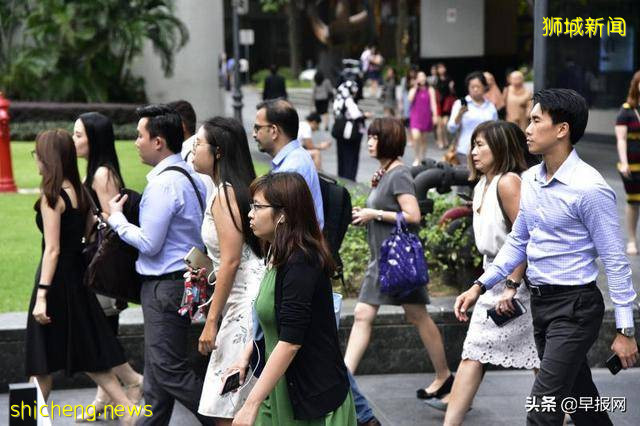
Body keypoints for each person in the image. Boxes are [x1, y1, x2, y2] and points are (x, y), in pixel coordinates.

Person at [455, 89, 639, 426]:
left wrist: (626, 329)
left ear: (562, 129)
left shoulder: (589, 188)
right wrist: (479, 286)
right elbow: (518, 241)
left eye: (536, 120)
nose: (527, 128)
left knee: (542, 410)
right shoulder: (531, 181)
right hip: (542, 305)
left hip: (576, 308)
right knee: (582, 402)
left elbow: (615, 261)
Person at [425, 121, 540, 423]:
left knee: (539, 358)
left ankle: (568, 413)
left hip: (516, 282)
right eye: (473, 144)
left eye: (481, 145)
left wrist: (512, 285)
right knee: (476, 352)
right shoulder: (482, 184)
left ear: (501, 146)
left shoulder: (508, 182)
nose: (473, 152)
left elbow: (523, 238)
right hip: (493, 277)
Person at [107, 105, 213, 426]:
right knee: (156, 381)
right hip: (179, 283)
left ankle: (226, 420)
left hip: (164, 287)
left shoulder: (164, 184)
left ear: (158, 142)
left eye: (140, 135)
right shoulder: (188, 175)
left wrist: (117, 220)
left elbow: (150, 244)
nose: (135, 141)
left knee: (169, 371)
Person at [25, 129, 137, 424]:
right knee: (84, 348)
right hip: (76, 276)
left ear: (48, 157)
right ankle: (127, 407)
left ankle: (27, 418)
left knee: (42, 357)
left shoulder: (52, 196)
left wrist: (41, 295)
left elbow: (52, 250)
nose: (36, 158)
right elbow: (86, 234)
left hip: (55, 280)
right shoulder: (78, 192)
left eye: (37, 153)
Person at [228, 172, 357, 425]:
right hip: (278, 388)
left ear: (283, 214)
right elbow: (269, 320)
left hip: (311, 399)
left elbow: (290, 341)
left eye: (257, 206)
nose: (250, 214)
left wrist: (250, 404)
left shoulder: (302, 262)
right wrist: (245, 357)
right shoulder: (277, 253)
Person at [345, 117, 453, 405]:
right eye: (369, 137)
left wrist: (375, 215)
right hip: (380, 260)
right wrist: (365, 215)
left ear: (388, 141)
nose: (369, 142)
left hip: (397, 262)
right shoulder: (385, 172)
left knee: (418, 316)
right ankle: (344, 381)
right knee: (362, 315)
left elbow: (413, 216)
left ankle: (444, 376)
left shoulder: (399, 174)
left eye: (374, 137)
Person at [190, 117, 265, 424]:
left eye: (198, 144)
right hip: (243, 299)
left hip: (243, 307)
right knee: (234, 404)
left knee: (225, 405)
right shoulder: (229, 189)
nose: (193, 151)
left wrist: (210, 323)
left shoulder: (225, 193)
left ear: (218, 151)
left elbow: (233, 261)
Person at [72, 112, 144, 421]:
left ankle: (134, 384)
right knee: (106, 332)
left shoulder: (102, 174)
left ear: (94, 138)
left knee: (98, 333)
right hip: (97, 261)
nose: (74, 140)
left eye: (78, 135)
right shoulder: (97, 170)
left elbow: (112, 221)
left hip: (102, 264)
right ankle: (105, 398)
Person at [253, 99, 324, 228]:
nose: (253, 134)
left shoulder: (291, 169)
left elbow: (284, 225)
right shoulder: (295, 157)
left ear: (274, 131)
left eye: (257, 128)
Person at [447, 71, 498, 165]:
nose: (475, 89)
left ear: (485, 87)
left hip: (487, 151)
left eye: (478, 86)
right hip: (465, 151)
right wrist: (459, 114)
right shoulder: (460, 104)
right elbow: (451, 128)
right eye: (472, 87)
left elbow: (495, 130)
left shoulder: (490, 106)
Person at [615, 70, 640, 255]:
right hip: (633, 164)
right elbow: (621, 139)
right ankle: (631, 240)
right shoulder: (627, 110)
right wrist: (624, 163)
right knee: (633, 203)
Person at [169, 99, 215, 198]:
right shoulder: (187, 153)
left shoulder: (193, 156)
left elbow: (205, 195)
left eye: (167, 125)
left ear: (182, 126)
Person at [333, 79, 366, 181]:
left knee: (341, 157)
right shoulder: (348, 100)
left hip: (340, 133)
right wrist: (365, 115)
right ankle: (349, 179)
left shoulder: (338, 100)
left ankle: (342, 177)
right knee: (351, 157)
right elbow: (356, 115)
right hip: (350, 135)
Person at [408, 71, 439, 166]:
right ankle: (417, 157)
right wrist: (415, 87)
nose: (422, 78)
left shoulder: (430, 89)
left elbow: (433, 103)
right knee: (416, 136)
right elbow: (410, 99)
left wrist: (435, 115)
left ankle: (423, 157)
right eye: (420, 76)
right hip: (415, 116)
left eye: (423, 76)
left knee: (424, 139)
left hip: (426, 116)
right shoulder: (413, 89)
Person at [435, 63, 456, 149]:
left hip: (446, 104)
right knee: (439, 124)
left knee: (445, 123)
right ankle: (440, 141)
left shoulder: (449, 79)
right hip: (438, 103)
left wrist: (451, 87)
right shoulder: (435, 79)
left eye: (442, 67)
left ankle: (445, 139)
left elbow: (453, 92)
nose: (441, 69)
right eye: (439, 68)